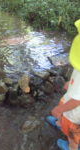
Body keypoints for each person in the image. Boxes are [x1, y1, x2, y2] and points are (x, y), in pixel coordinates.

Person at [46, 19, 80, 150]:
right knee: (62, 103)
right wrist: (69, 82)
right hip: (71, 98)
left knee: (73, 132)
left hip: (75, 112)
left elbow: (77, 100)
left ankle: (71, 146)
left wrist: (60, 110)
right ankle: (59, 122)